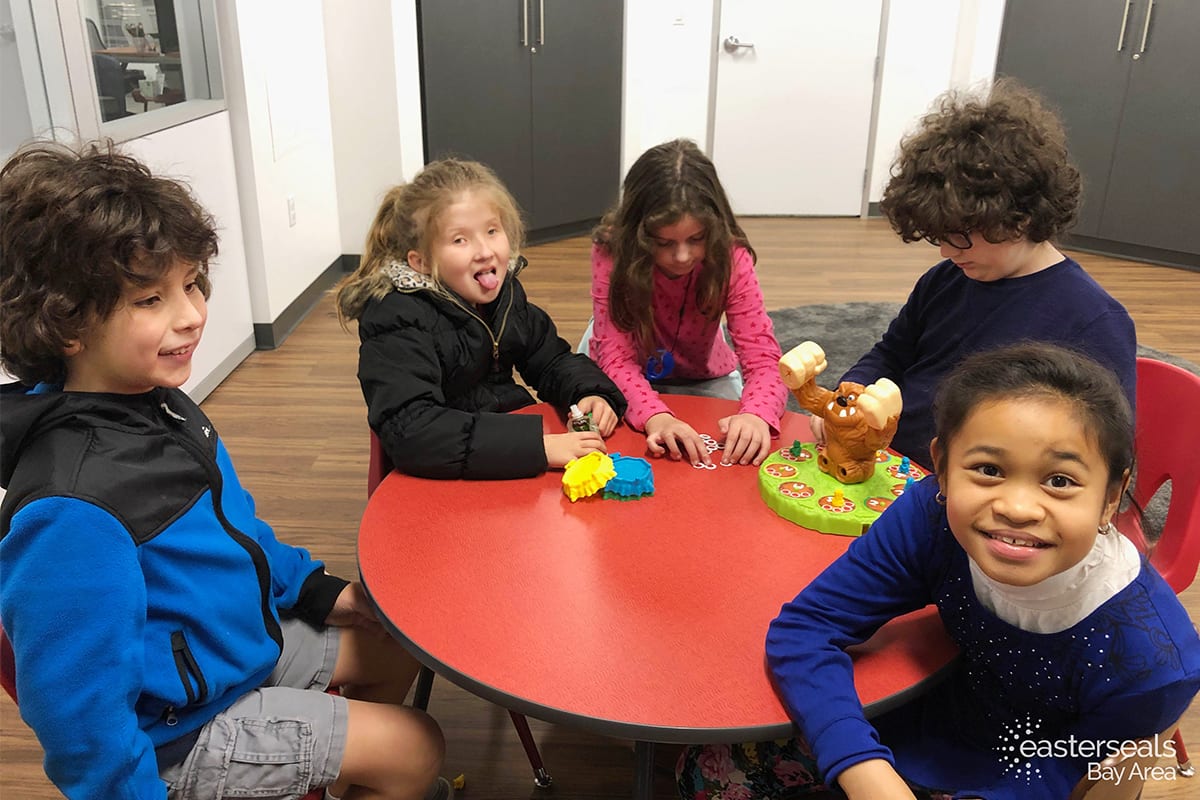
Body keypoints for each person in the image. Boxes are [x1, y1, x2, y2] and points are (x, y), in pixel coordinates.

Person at [0, 141, 450, 800]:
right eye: (151, 300)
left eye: (190, 284)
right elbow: (83, 730)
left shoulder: (160, 404)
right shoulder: (69, 511)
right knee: (417, 748)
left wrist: (324, 594)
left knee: (405, 638)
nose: (192, 314)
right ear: (66, 323)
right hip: (179, 735)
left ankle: (348, 771)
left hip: (236, 650)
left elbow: (235, 532)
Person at [679, 342, 1200, 799]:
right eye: (989, 470)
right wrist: (862, 768)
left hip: (1012, 773)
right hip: (913, 719)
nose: (1018, 507)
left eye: (1060, 481)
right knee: (702, 772)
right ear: (943, 467)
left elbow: (1082, 766)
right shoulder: (930, 513)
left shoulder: (1154, 660)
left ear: (1111, 497)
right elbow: (805, 628)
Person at [815, 79, 1137, 469]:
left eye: (961, 237)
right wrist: (849, 397)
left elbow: (1100, 453)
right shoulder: (945, 279)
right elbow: (892, 353)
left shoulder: (1092, 321)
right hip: (887, 460)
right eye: (940, 236)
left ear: (1021, 216)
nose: (947, 252)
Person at [335, 159, 626, 480]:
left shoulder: (505, 293)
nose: (485, 251)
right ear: (421, 262)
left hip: (504, 444)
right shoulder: (396, 318)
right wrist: (539, 448)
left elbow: (551, 359)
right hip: (440, 472)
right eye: (460, 240)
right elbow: (413, 430)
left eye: (492, 231)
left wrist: (589, 392)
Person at [586, 139, 787, 468]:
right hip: (624, 356)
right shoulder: (613, 250)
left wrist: (756, 415)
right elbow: (615, 358)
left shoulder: (731, 257)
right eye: (664, 243)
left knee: (730, 447)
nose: (682, 256)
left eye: (696, 239)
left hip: (702, 369)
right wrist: (656, 416)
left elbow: (764, 360)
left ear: (714, 228)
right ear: (638, 234)